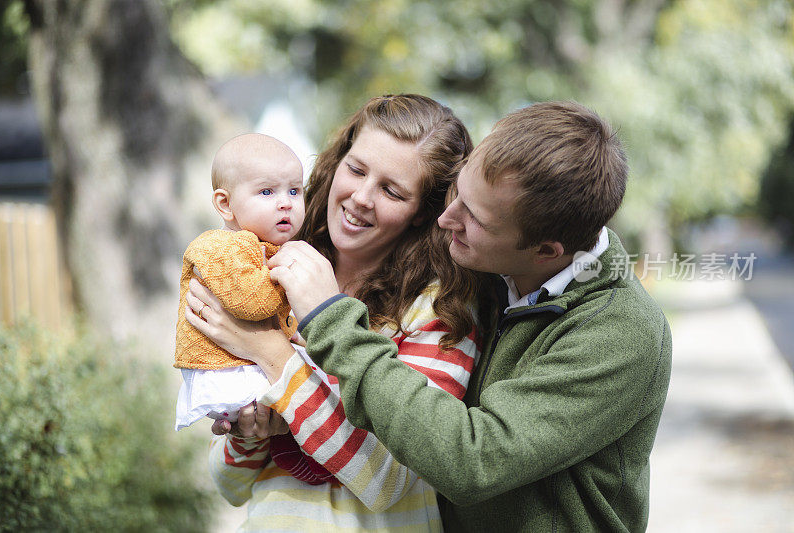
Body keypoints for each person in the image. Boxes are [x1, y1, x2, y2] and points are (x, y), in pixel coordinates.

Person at [198, 101, 673, 532]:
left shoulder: (617, 333)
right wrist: (255, 420)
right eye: (455, 195)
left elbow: (468, 460)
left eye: (475, 219)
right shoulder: (492, 278)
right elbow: (233, 479)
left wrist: (289, 343)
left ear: (546, 250)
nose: (447, 220)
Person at [186, 94, 485, 530]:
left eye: (391, 190)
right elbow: (229, 484)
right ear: (338, 160)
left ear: (423, 213)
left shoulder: (440, 308)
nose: (361, 197)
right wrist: (250, 431)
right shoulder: (269, 270)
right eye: (357, 169)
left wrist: (270, 353)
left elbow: (387, 480)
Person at [174, 133, 334, 484]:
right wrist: (290, 280)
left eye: (294, 191)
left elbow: (279, 324)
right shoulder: (223, 247)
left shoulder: (263, 247)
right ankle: (311, 460)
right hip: (225, 370)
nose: (285, 203)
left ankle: (309, 456)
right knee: (319, 387)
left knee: (317, 383)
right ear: (225, 204)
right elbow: (250, 302)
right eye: (267, 192)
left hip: (243, 364)